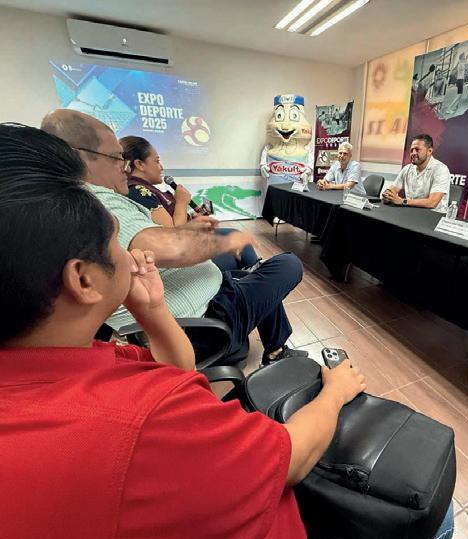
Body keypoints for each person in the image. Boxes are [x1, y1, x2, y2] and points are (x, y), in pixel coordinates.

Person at [0, 122, 368, 539]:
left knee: (257, 282)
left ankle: (275, 342)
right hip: (281, 518)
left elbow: (177, 371)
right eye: (117, 240)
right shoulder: (146, 420)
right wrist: (335, 393)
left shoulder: (86, 359)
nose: (132, 255)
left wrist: (154, 311)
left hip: (187, 315)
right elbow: (292, 458)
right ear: (83, 280)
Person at [41, 109, 306, 366]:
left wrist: (189, 231)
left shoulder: (74, 201)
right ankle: (266, 346)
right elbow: (165, 246)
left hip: (200, 300)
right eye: (116, 158)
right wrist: (225, 241)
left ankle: (275, 349)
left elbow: (157, 237)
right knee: (288, 264)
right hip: (204, 320)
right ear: (81, 156)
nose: (124, 167)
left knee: (257, 276)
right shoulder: (98, 201)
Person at [119, 135, 259, 272]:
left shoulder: (145, 189)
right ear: (139, 164)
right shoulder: (139, 192)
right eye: (157, 161)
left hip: (186, 245)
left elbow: (175, 222)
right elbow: (173, 236)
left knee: (235, 237)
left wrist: (193, 220)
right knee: (238, 248)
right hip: (178, 262)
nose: (161, 167)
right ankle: (256, 273)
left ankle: (255, 271)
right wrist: (181, 202)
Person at [382, 134, 450, 213]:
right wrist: (388, 195)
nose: (413, 153)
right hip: (411, 212)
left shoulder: (441, 169)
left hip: (433, 215)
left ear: (429, 151)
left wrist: (402, 201)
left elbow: (432, 203)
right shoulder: (407, 169)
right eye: (411, 150)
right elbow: (392, 190)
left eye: (417, 150)